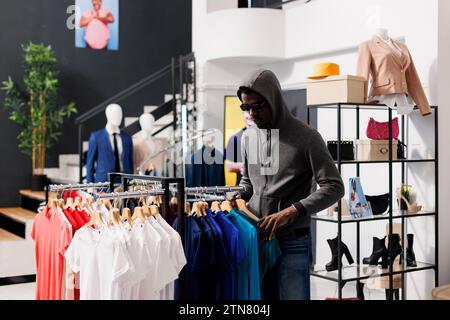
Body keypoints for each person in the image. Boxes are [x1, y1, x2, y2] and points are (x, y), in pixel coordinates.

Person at [233, 69, 345, 300]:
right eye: (246, 108)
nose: (251, 114)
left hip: (292, 241)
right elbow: (248, 183)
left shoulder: (307, 137)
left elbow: (334, 186)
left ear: (273, 99)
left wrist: (292, 212)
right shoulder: (248, 138)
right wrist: (236, 196)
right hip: (256, 237)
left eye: (257, 106)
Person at [225, 111, 255, 185]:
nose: (250, 115)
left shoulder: (267, 135)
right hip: (243, 189)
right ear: (243, 114)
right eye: (247, 112)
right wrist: (246, 166)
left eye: (253, 111)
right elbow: (229, 166)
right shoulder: (235, 138)